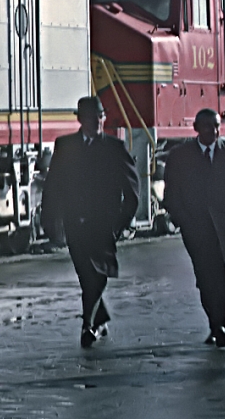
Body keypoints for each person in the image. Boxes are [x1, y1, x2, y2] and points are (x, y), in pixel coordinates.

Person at [43, 95, 139, 348]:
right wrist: (50, 220)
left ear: (103, 118)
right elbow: (53, 185)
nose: (95, 122)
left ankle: (88, 325)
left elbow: (132, 191)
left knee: (97, 276)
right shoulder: (65, 146)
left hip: (103, 225)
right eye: (89, 117)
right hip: (75, 223)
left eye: (99, 117)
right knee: (87, 275)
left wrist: (119, 225)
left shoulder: (115, 148)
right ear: (79, 119)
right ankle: (99, 317)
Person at [161, 108, 225, 347]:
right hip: (197, 230)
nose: (213, 131)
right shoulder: (179, 156)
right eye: (206, 127)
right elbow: (171, 194)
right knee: (205, 278)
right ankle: (216, 323)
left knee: (224, 278)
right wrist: (182, 220)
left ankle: (219, 323)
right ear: (196, 129)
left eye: (216, 126)